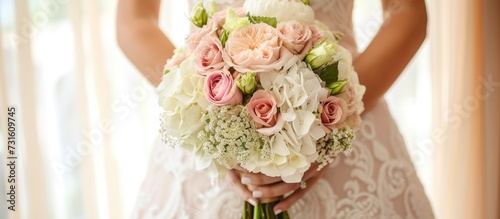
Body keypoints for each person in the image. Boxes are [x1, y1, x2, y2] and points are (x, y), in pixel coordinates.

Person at [117, 0, 434, 218]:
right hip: (206, 152)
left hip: (346, 133)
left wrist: (327, 123)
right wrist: (208, 117)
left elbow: (406, 11)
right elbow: (135, 21)